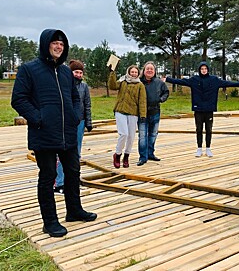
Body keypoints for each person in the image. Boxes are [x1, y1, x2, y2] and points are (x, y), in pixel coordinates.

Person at [11, 29, 97, 238]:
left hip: (67, 133)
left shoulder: (67, 72)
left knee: (73, 172)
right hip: (44, 133)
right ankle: (49, 222)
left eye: (62, 44)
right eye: (55, 43)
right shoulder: (29, 70)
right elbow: (19, 99)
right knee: (48, 175)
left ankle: (74, 210)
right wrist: (39, 118)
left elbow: (75, 98)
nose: (59, 47)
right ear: (45, 44)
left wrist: (76, 116)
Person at [164, 61, 239, 158]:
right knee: (199, 129)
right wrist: (168, 79)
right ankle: (199, 148)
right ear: (199, 70)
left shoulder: (214, 80)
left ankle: (208, 148)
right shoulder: (194, 80)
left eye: (205, 69)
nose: (204, 70)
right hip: (198, 108)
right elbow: (181, 82)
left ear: (208, 70)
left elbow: (227, 83)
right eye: (202, 69)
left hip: (209, 108)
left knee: (209, 129)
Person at [54, 59, 93, 194]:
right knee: (62, 152)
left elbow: (87, 104)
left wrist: (88, 122)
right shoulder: (63, 85)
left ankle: (73, 180)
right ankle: (60, 182)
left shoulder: (84, 87)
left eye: (81, 72)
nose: (78, 74)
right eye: (76, 72)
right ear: (70, 72)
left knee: (76, 153)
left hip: (80, 122)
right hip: (65, 122)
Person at [109, 64, 147, 169]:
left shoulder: (140, 85)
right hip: (120, 110)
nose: (133, 73)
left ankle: (126, 156)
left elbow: (142, 101)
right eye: (132, 72)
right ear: (128, 72)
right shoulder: (123, 82)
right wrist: (112, 73)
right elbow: (112, 86)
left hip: (133, 112)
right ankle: (117, 155)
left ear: (138, 73)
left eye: (135, 72)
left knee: (131, 136)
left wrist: (143, 115)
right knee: (124, 134)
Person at [137, 61, 169, 166]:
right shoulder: (138, 82)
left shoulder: (159, 82)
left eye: (152, 69)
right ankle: (143, 157)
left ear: (154, 71)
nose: (149, 70)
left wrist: (161, 99)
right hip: (142, 113)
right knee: (142, 136)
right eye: (147, 69)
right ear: (144, 70)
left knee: (153, 134)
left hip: (155, 111)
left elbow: (166, 92)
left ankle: (150, 153)